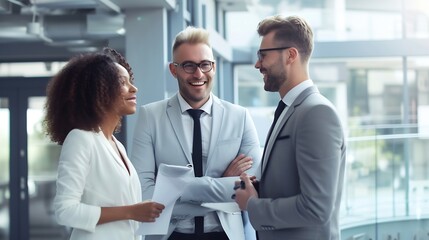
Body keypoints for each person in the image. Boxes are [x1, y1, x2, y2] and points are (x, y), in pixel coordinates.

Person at [131, 26, 261, 240]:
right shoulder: (150, 116)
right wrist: (223, 181)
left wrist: (172, 189)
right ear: (174, 70)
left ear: (214, 67)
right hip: (170, 235)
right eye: (189, 66)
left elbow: (253, 187)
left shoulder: (240, 117)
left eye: (205, 65)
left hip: (225, 235)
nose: (198, 74)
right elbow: (145, 194)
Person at [234, 15, 346, 240]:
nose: (257, 64)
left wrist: (253, 205)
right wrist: (260, 187)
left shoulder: (317, 113)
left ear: (291, 55)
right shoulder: (291, 108)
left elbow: (316, 208)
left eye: (263, 55)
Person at [44, 47, 165, 240]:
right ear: (98, 91)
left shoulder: (117, 145)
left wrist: (143, 210)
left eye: (130, 82)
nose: (134, 88)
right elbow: (65, 210)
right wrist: (131, 212)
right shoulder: (80, 139)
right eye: (122, 83)